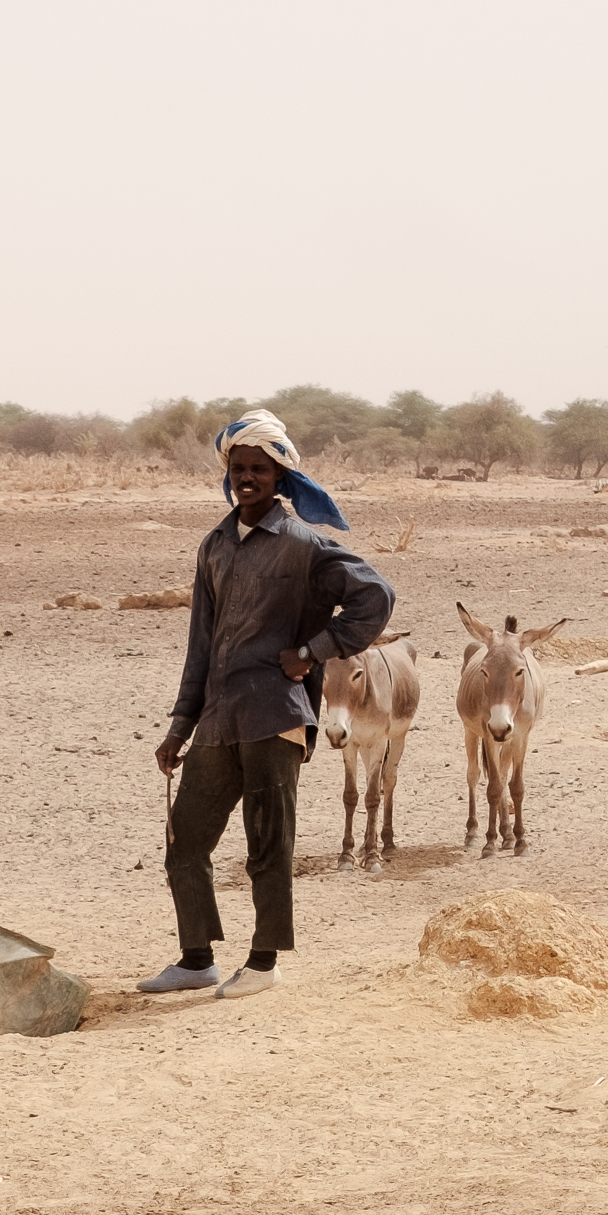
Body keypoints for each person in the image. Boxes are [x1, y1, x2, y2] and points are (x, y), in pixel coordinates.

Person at [145, 411, 395, 1001]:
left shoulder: (304, 544)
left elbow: (375, 596)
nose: (248, 477)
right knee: (185, 841)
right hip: (218, 718)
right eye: (239, 468)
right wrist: (180, 726)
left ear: (281, 475)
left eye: (260, 468)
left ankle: (263, 963)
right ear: (227, 473)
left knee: (267, 845)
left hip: (276, 717)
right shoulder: (214, 545)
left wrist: (314, 649)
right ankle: (197, 958)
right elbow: (200, 644)